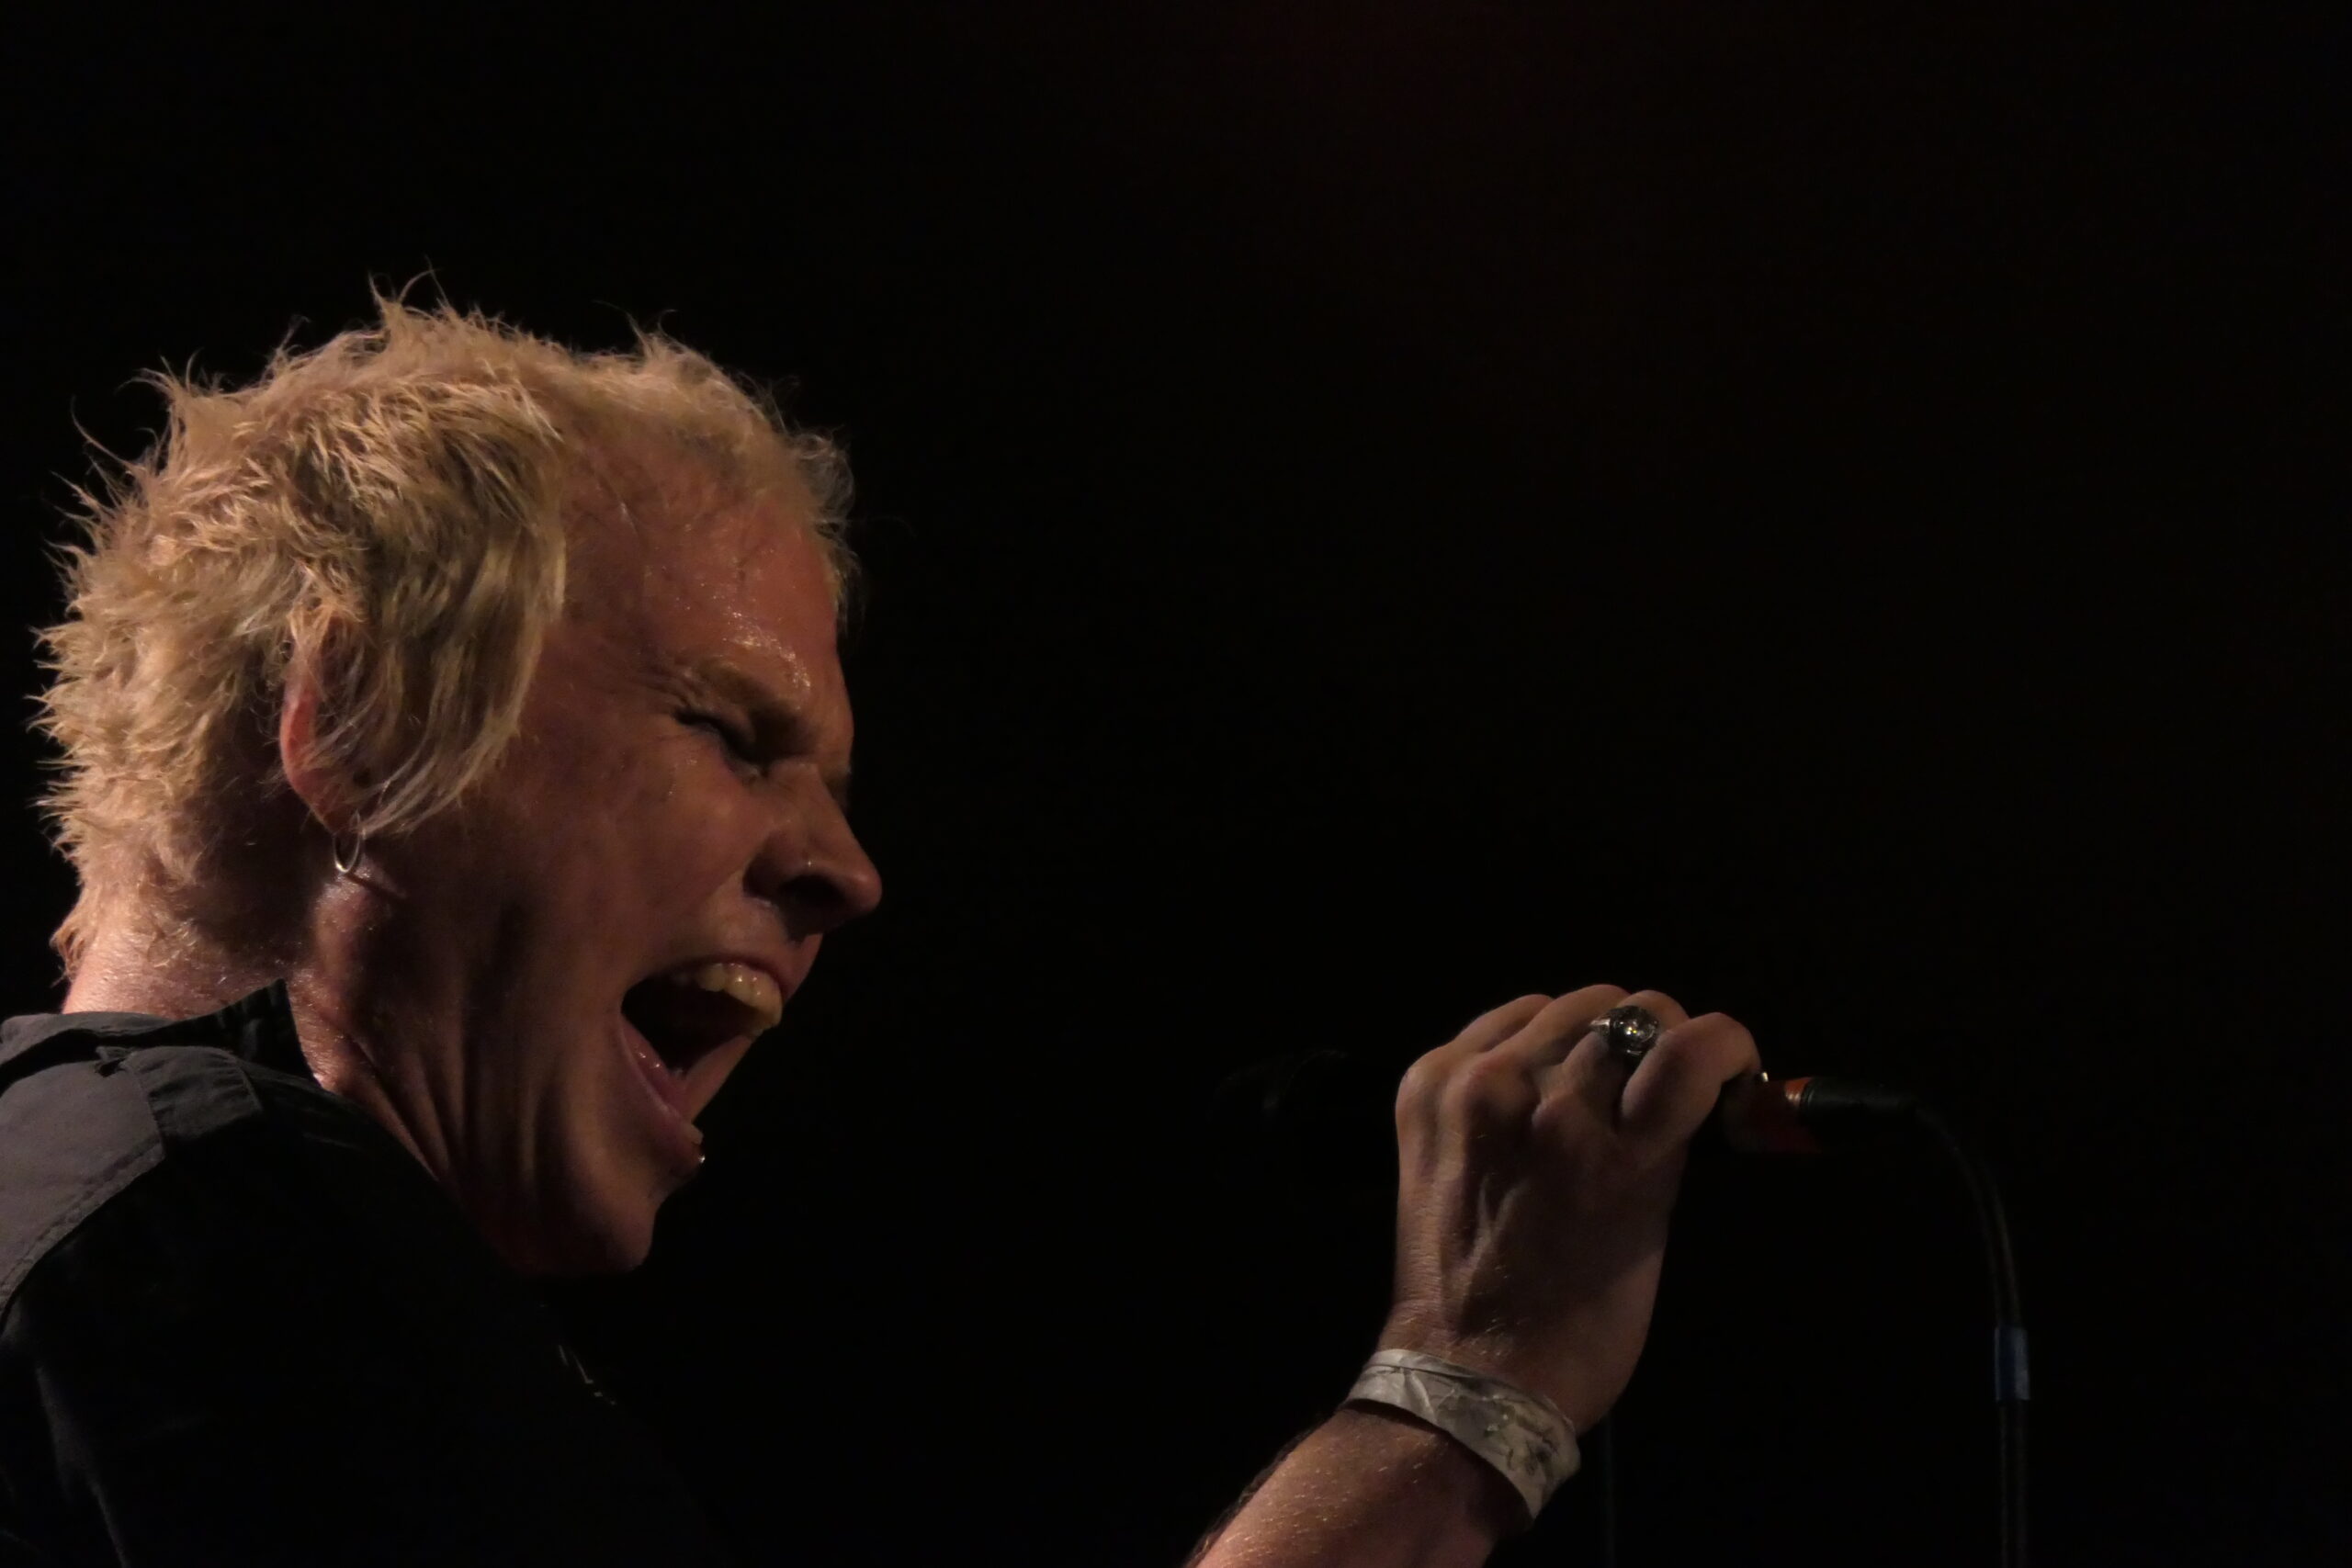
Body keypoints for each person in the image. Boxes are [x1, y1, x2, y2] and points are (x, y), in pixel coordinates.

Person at [0, 299, 1762, 1566]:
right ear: (363, 724)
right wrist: (1466, 1396)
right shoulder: (215, 1226)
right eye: (730, 732)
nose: (848, 874)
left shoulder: (108, 1206)